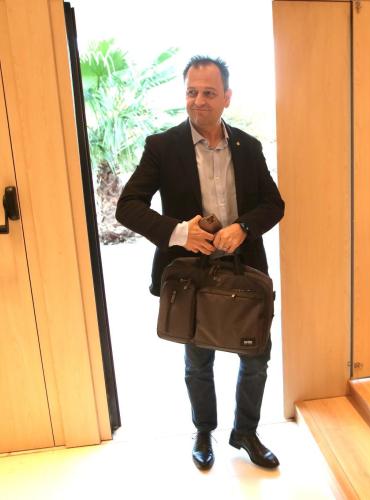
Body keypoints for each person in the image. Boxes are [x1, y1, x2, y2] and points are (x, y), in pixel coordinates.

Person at [116, 55, 284, 471]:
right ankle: (204, 430)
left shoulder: (248, 147)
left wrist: (244, 227)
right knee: (198, 358)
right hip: (190, 274)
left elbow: (273, 204)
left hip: (245, 269)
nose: (198, 101)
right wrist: (179, 232)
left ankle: (245, 432)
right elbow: (128, 206)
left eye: (209, 92)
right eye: (192, 92)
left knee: (256, 356)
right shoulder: (162, 147)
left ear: (227, 97)